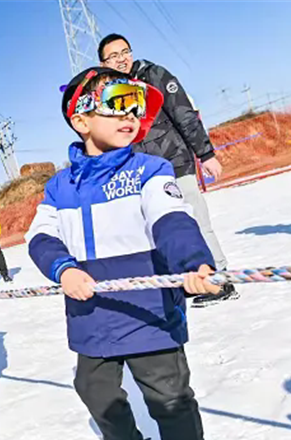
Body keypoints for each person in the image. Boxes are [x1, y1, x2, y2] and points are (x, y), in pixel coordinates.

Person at [26, 67, 219, 440]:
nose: (130, 115)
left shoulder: (149, 170)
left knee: (170, 400)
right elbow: (40, 237)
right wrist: (63, 269)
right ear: (81, 120)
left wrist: (192, 262)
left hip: (149, 312)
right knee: (96, 394)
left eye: (136, 106)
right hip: (91, 316)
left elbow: (172, 220)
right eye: (117, 103)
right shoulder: (59, 187)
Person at [98, 33, 239, 307]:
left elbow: (184, 114)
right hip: (143, 173)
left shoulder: (154, 75)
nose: (121, 59)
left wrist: (206, 154)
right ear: (103, 61)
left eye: (125, 52)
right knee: (161, 229)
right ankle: (188, 280)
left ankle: (219, 280)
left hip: (175, 162)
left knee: (196, 221)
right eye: (113, 56)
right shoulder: (109, 92)